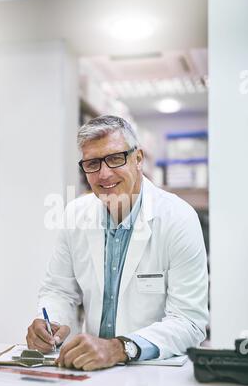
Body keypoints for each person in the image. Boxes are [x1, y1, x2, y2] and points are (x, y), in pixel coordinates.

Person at [26, 115, 209, 371]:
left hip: (154, 372)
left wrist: (121, 348)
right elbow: (59, 290)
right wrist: (50, 323)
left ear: (138, 159)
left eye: (114, 158)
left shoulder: (178, 218)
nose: (104, 174)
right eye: (92, 163)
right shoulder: (75, 214)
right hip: (91, 370)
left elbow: (190, 321)